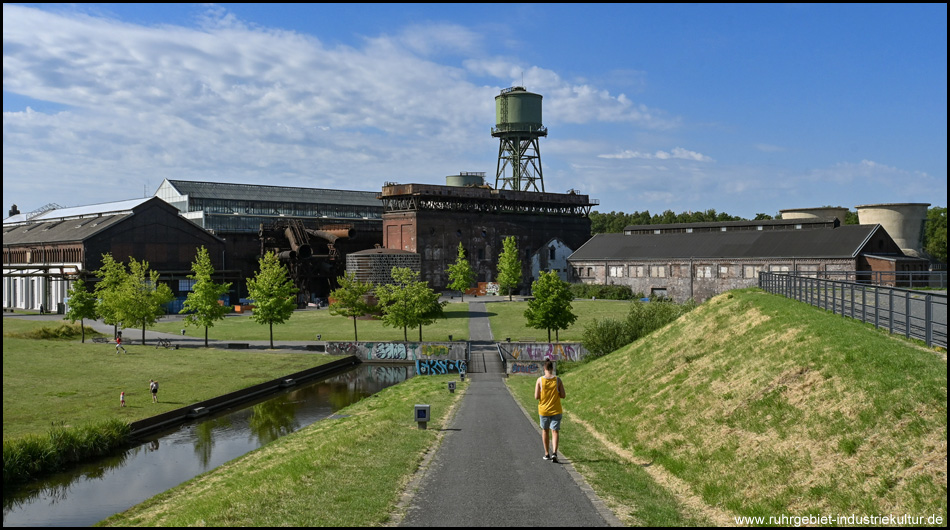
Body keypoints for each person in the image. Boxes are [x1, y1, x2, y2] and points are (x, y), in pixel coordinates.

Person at [534, 360, 566, 463]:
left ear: (544, 368)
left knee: (545, 430)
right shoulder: (558, 380)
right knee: (555, 431)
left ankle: (547, 453)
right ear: (552, 368)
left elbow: (536, 396)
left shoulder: (540, 380)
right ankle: (555, 453)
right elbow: (563, 395)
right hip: (556, 410)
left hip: (544, 410)